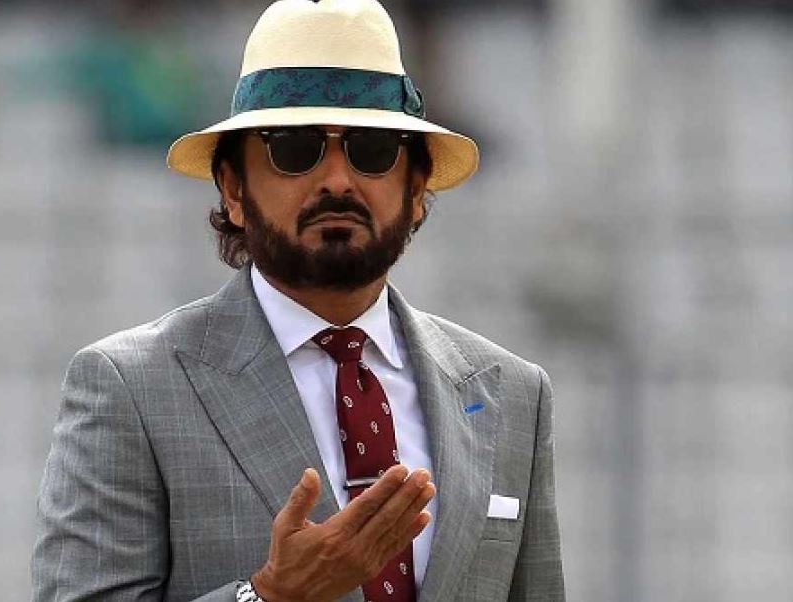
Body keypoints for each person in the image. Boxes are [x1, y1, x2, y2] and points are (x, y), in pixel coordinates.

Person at [31, 0, 564, 600]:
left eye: (372, 150)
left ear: (416, 189)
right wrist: (269, 596)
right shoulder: (131, 388)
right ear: (234, 189)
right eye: (293, 149)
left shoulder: (513, 395)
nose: (337, 180)